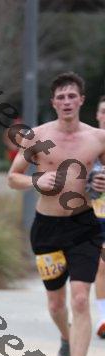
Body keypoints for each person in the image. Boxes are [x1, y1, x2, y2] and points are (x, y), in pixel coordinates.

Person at [8, 72, 105, 356]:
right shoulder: (37, 137)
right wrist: (36, 180)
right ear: (53, 102)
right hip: (47, 228)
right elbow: (13, 178)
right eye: (60, 97)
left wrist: (101, 182)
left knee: (79, 299)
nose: (66, 102)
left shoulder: (98, 138)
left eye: (71, 96)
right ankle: (66, 337)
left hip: (83, 227)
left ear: (81, 100)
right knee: (56, 304)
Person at [86, 96, 105, 338]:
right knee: (102, 265)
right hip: (95, 215)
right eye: (104, 111)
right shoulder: (88, 145)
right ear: (98, 115)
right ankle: (103, 318)